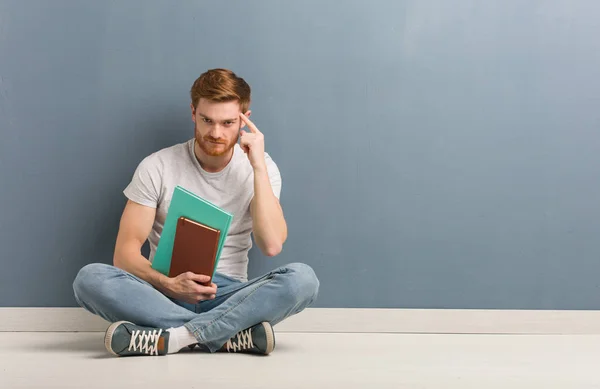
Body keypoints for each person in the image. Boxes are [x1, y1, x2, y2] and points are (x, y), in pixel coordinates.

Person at [72, 68, 319, 357]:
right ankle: (228, 337)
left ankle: (175, 338)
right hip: (163, 292)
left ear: (245, 120)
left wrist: (258, 167)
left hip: (229, 296)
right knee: (89, 279)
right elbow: (124, 254)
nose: (215, 133)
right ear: (193, 112)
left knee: (302, 280)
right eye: (207, 120)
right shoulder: (158, 166)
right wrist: (168, 283)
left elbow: (273, 244)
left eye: (228, 123)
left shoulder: (261, 169)